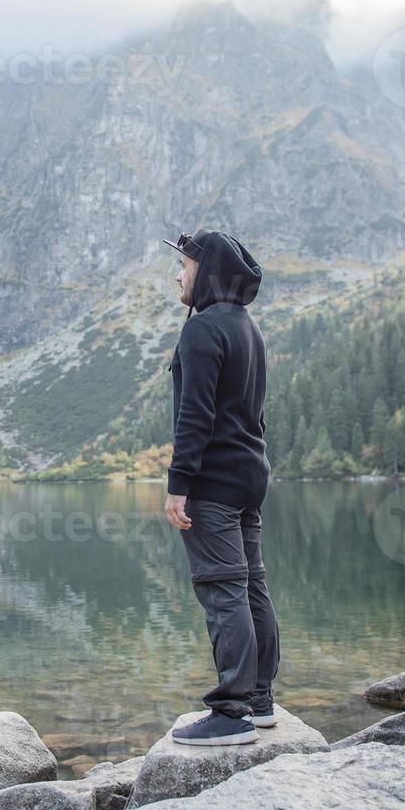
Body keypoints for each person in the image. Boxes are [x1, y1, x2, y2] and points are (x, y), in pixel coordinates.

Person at [160, 228, 280, 747]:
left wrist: (178, 483)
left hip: (211, 483)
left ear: (204, 270)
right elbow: (252, 414)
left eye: (184, 265)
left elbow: (196, 415)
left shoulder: (203, 329)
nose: (178, 274)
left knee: (222, 589)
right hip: (248, 478)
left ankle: (231, 713)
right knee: (251, 586)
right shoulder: (247, 328)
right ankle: (260, 700)